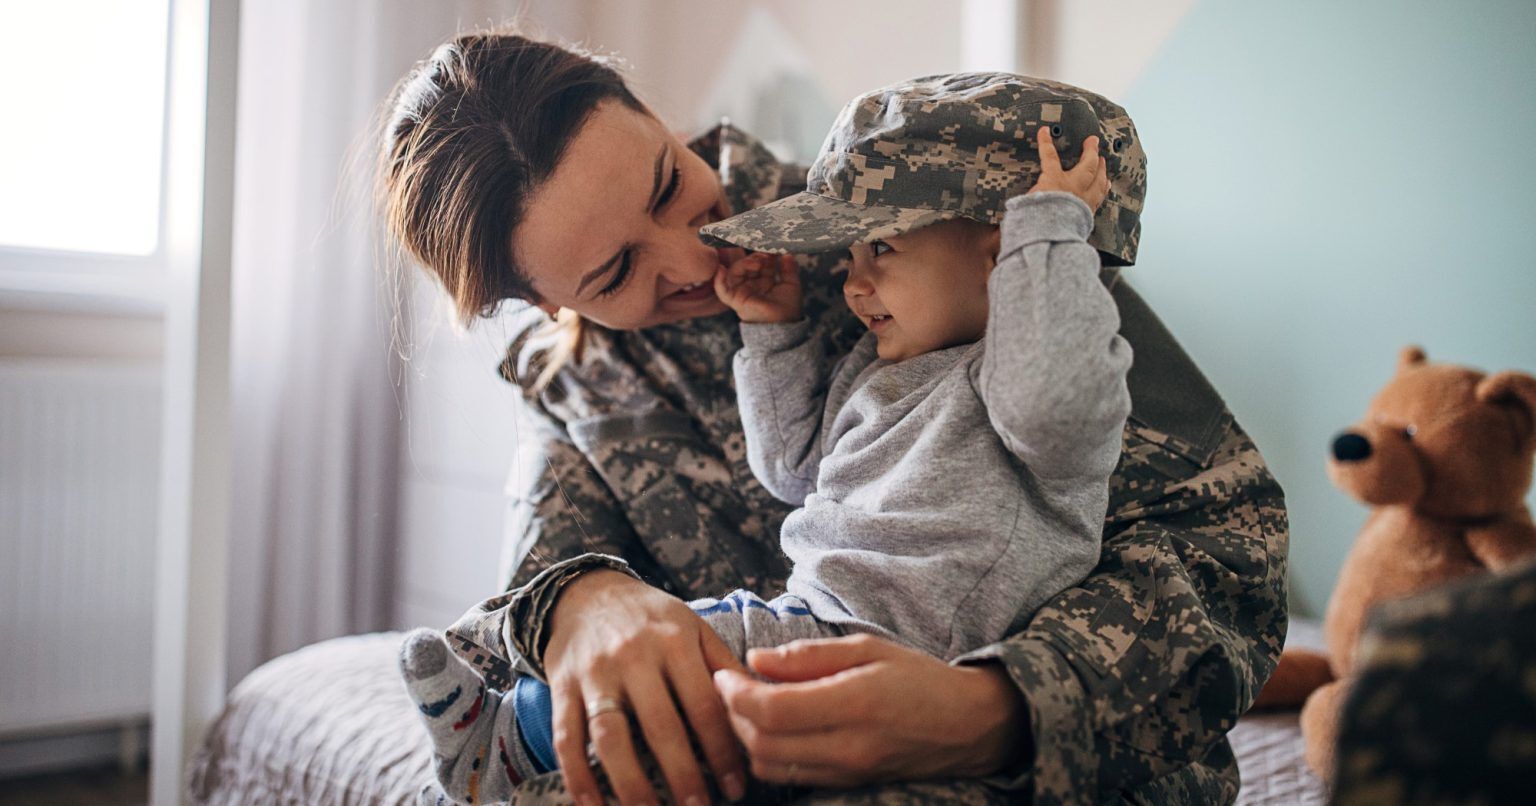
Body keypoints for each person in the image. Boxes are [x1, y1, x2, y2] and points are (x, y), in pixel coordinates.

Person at [378, 30, 1288, 806]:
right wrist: (578, 602)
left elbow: (1228, 552)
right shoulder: (571, 379)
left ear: (656, 115)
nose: (692, 256)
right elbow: (513, 633)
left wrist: (995, 711)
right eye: (615, 274)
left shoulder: (919, 209)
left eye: (667, 184)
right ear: (545, 303)